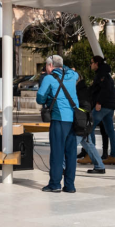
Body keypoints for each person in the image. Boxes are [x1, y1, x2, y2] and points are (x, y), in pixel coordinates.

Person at [36, 54, 80, 193]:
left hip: (59, 118)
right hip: (73, 119)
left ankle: (55, 184)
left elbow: (40, 98)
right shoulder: (72, 76)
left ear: (50, 66)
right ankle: (70, 185)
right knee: (71, 153)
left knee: (57, 153)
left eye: (46, 65)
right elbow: (74, 73)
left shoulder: (49, 78)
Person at [85, 55, 115, 171]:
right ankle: (113, 156)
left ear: (97, 63)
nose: (91, 65)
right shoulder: (105, 74)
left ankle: (91, 155)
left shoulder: (102, 75)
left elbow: (105, 90)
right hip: (109, 106)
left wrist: (98, 102)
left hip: (102, 106)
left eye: (92, 62)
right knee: (110, 131)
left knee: (89, 127)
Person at [75, 76, 107, 173]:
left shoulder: (79, 90)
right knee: (88, 143)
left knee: (71, 143)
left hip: (80, 120)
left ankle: (63, 166)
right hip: (86, 119)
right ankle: (99, 166)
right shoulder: (86, 89)